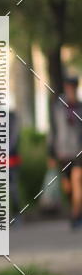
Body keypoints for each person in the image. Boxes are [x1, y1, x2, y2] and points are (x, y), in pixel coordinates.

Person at [48, 74, 82, 228]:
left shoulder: (80, 107)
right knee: (68, 186)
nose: (71, 90)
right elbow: (53, 130)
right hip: (62, 152)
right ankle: (74, 209)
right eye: (69, 87)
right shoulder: (58, 107)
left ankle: (76, 215)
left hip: (78, 151)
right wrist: (51, 153)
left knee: (77, 181)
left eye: (73, 87)